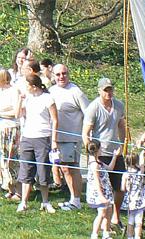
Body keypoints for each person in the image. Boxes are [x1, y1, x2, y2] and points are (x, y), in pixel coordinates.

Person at [82, 77, 126, 228]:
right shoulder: (93, 107)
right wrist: (92, 153)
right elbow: (86, 132)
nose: (109, 92)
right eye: (105, 90)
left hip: (115, 152)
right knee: (103, 187)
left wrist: (123, 144)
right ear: (99, 91)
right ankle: (103, 220)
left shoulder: (119, 105)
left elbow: (121, 125)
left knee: (120, 185)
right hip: (100, 153)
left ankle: (116, 216)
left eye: (110, 89)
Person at [15, 74, 58, 213]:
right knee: (26, 170)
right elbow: (18, 115)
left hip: (43, 137)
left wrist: (54, 140)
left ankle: (45, 202)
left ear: (34, 86)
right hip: (27, 137)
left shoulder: (47, 98)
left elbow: (55, 120)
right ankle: (23, 202)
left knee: (43, 171)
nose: (25, 88)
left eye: (27, 85)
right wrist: (20, 101)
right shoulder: (27, 98)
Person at [50, 64, 89, 211]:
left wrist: (87, 135)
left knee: (73, 168)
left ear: (69, 74)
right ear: (53, 76)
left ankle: (77, 200)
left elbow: (88, 114)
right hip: (56, 137)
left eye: (64, 73)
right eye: (58, 74)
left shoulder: (76, 92)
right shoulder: (51, 91)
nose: (61, 77)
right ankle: (72, 198)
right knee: (64, 169)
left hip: (72, 138)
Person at [85, 141, 115, 239]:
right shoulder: (94, 165)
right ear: (98, 150)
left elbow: (110, 168)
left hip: (106, 191)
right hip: (99, 193)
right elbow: (96, 181)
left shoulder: (99, 162)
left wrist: (115, 156)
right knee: (102, 213)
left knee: (109, 212)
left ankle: (106, 233)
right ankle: (94, 234)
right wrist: (101, 195)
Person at [121, 153, 145, 239]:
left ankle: (130, 238)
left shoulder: (125, 175)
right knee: (139, 221)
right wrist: (142, 156)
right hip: (140, 200)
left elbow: (122, 188)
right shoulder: (140, 172)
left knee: (130, 220)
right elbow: (142, 166)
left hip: (130, 201)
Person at [0, 69, 20, 201]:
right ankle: (9, 188)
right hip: (1, 128)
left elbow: (16, 112)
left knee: (12, 160)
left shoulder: (14, 91)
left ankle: (19, 191)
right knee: (3, 160)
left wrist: (1, 114)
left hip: (11, 128)